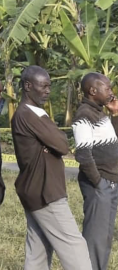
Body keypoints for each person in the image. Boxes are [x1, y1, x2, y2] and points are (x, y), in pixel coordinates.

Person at [11, 65, 92, 270]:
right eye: (43, 86)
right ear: (28, 86)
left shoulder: (33, 113)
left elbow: (57, 142)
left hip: (34, 191)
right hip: (45, 193)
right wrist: (52, 144)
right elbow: (63, 144)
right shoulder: (28, 114)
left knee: (37, 252)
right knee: (75, 247)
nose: (48, 91)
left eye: (49, 86)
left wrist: (52, 143)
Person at [72, 72, 118, 270]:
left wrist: (115, 114)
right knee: (95, 239)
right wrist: (99, 184)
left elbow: (116, 141)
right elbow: (83, 155)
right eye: (107, 88)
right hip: (99, 184)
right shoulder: (84, 115)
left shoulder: (100, 112)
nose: (111, 92)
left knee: (105, 236)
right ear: (93, 91)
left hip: (111, 182)